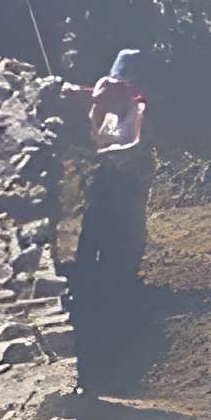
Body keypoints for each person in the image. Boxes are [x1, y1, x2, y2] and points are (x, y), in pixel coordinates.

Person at [70, 48, 153, 293]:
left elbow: (136, 145)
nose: (123, 90)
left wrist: (104, 154)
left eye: (128, 86)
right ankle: (85, 276)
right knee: (94, 222)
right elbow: (92, 130)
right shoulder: (106, 104)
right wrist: (97, 104)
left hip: (131, 177)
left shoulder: (139, 110)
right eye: (119, 85)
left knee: (126, 225)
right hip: (103, 175)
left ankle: (122, 279)